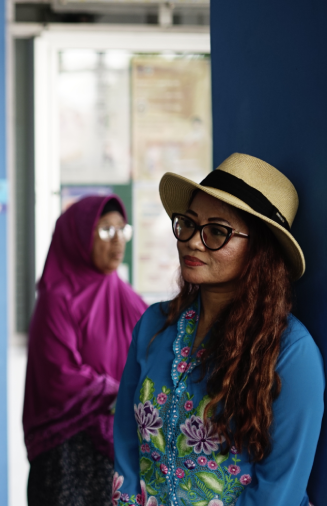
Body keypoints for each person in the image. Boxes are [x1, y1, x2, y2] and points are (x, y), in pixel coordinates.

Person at [112, 153, 324, 505]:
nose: (193, 241)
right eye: (188, 223)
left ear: (259, 249)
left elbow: (278, 490)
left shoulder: (291, 352)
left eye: (216, 231)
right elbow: (125, 442)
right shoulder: (153, 325)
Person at [23, 194, 147, 505]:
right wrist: (120, 392)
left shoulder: (129, 298)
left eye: (122, 229)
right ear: (78, 237)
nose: (118, 240)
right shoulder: (57, 298)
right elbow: (59, 375)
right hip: (68, 452)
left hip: (123, 446)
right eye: (106, 230)